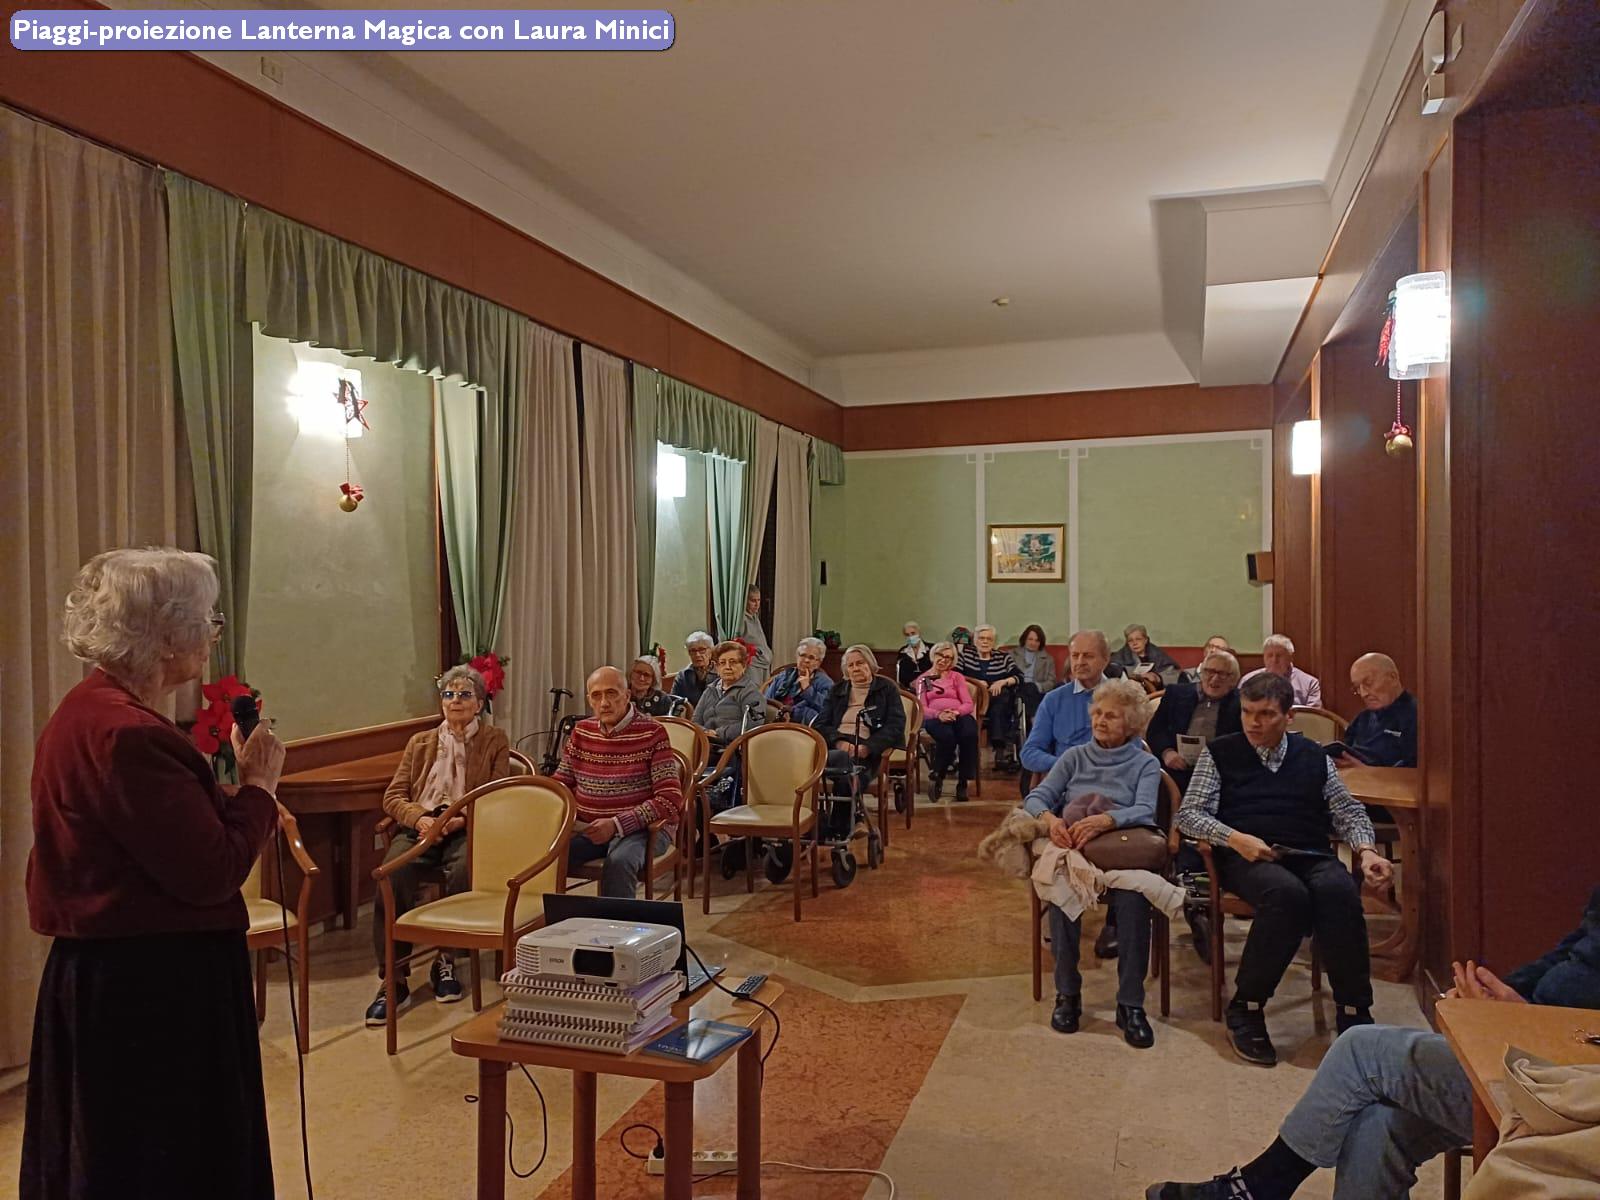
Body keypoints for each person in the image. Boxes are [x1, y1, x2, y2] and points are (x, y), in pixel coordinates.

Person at [22, 548, 283, 1199]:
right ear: (166, 633)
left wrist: (221, 801)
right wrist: (258, 786)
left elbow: (143, 837)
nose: (214, 631)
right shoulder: (128, 733)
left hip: (119, 972)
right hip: (153, 986)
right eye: (206, 618)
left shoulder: (91, 708)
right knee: (161, 1165)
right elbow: (212, 873)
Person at [1148, 884, 1600, 1199]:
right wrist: (1498, 998)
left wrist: (1524, 1015)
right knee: (1376, 1126)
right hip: (1530, 1048)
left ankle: (1260, 1187)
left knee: (1361, 1050)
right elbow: (1572, 951)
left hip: (1574, 1088)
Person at [1178, 672, 1394, 1066]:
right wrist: (1234, 838)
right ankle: (1246, 1006)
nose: (1253, 723)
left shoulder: (1312, 755)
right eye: (1247, 712)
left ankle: (1354, 1009)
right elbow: (1189, 815)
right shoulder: (1221, 753)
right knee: (1286, 896)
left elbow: (1346, 809)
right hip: (1246, 856)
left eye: (1265, 714)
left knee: (1340, 891)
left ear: (1288, 716)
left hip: (1308, 850)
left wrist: (1366, 851)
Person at [1022, 678, 1163, 1049]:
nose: (1100, 720)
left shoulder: (1145, 763)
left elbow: (1145, 809)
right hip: (1077, 852)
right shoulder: (1074, 757)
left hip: (1123, 851)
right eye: (1097, 713)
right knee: (1061, 894)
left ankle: (1130, 1004)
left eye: (1111, 716)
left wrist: (1106, 820)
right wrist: (1050, 820)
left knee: (1134, 902)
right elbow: (1036, 798)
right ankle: (1067, 994)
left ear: (1132, 723)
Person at [367, 664, 511, 1024]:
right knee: (391, 875)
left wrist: (459, 818)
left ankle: (446, 959)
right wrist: (420, 819)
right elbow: (393, 796)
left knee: (464, 871)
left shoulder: (494, 739)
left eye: (464, 694)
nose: (455, 700)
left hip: (467, 826)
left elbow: (497, 793)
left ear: (479, 703)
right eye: (449, 694)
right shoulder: (419, 742)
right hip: (421, 826)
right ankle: (394, 976)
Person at [557, 666, 683, 898]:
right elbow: (561, 784)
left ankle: (617, 922)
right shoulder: (581, 732)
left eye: (611, 693)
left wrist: (616, 824)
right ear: (589, 700)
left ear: (627, 695)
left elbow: (670, 799)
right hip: (590, 829)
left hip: (644, 830)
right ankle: (551, 919)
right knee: (544, 856)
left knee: (619, 862)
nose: (604, 703)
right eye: (597, 696)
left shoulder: (652, 732)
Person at [1148, 650, 1244, 792]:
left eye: (1222, 674)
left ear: (1233, 679)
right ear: (1202, 672)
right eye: (1210, 671)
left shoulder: (1242, 703)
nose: (1214, 679)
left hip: (1220, 773)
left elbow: (1243, 740)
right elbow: (1155, 730)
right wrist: (1167, 752)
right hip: (1175, 768)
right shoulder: (1176, 694)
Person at [1020, 630, 1114, 776]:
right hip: (1066, 780)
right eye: (1075, 656)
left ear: (1105, 659)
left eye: (1088, 656)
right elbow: (1029, 752)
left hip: (1111, 777)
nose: (1080, 662)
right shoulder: (1054, 699)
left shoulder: (1121, 698)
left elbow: (1134, 749)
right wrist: (1065, 764)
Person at [815, 644, 905, 783]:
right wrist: (839, 742)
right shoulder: (836, 690)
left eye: (860, 663)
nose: (855, 668)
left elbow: (896, 725)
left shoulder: (887, 689)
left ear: (870, 664)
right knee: (843, 763)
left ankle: (847, 790)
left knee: (846, 768)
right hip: (837, 744)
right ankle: (850, 791)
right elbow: (821, 724)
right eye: (850, 665)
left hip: (868, 748)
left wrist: (868, 747)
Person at [914, 640, 979, 802]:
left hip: (958, 715)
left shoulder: (956, 677)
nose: (943, 659)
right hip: (934, 717)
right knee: (947, 736)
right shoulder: (923, 680)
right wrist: (939, 715)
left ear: (952, 661)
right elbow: (922, 708)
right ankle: (938, 774)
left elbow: (968, 703)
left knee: (969, 733)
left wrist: (956, 712)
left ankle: (963, 782)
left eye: (948, 657)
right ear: (933, 655)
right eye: (940, 655)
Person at [958, 624, 1025, 770]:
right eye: (981, 638)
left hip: (998, 702)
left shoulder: (1003, 657)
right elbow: (955, 676)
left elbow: (1019, 676)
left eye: (989, 639)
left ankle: (1000, 751)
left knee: (1002, 698)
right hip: (973, 701)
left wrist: (1003, 682)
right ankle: (969, 752)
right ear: (975, 640)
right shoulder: (965, 656)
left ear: (994, 641)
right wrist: (976, 683)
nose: (985, 642)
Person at [1337, 652, 1417, 768]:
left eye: (1368, 683)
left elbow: (1417, 771)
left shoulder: (1417, 717)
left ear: (1393, 678)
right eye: (1357, 687)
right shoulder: (1362, 718)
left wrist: (1368, 772)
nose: (1363, 694)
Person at [692, 639, 767, 743]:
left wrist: (719, 733)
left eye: (733, 662)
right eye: (722, 663)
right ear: (717, 667)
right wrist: (705, 732)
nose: (727, 667)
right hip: (705, 742)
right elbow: (695, 721)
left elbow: (753, 725)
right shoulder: (710, 690)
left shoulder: (751, 693)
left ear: (744, 666)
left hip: (732, 746)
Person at [765, 636, 834, 725]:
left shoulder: (825, 683)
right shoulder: (783, 677)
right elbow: (767, 702)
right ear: (797, 657)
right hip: (775, 722)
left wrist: (807, 689)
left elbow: (827, 709)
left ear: (818, 663)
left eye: (811, 657)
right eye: (803, 655)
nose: (806, 660)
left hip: (802, 727)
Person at [1241, 634, 1322, 708]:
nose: (1274, 660)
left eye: (1279, 655)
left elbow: (1313, 715)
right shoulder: (1248, 680)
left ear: (1291, 657)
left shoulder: (1310, 683)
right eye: (1270, 655)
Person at [1008, 623, 1058, 723]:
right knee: (1027, 690)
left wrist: (1038, 686)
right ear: (1024, 639)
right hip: (1017, 687)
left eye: (1037, 640)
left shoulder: (1048, 659)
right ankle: (1035, 721)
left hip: (1037, 690)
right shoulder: (1012, 654)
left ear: (1040, 642)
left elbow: (1051, 681)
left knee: (1030, 688)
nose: (1033, 643)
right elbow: (1006, 674)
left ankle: (1021, 724)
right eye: (1030, 639)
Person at [1110, 623, 1183, 685]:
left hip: (1157, 691)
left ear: (1145, 640)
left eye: (1138, 639)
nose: (1134, 643)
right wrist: (1134, 675)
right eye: (1130, 640)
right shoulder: (1121, 656)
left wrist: (1157, 677)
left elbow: (1173, 672)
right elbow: (1113, 670)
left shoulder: (1156, 653)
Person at [671, 631, 717, 708]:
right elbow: (674, 701)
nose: (697, 655)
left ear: (711, 651)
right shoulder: (683, 676)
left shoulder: (721, 673)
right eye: (693, 651)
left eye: (702, 650)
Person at [737, 585, 772, 682]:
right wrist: (756, 651)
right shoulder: (741, 619)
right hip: (752, 665)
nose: (757, 604)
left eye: (758, 600)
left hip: (764, 663)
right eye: (753, 601)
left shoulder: (755, 616)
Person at [896, 621, 933, 687]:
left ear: (919, 633)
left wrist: (922, 682)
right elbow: (901, 675)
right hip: (909, 688)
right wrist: (910, 684)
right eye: (907, 635)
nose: (910, 637)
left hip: (929, 686)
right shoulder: (903, 652)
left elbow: (935, 670)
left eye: (913, 633)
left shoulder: (931, 649)